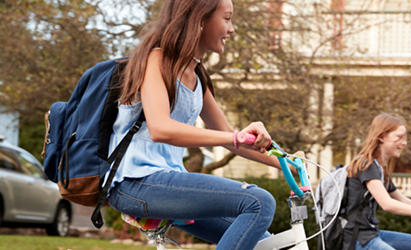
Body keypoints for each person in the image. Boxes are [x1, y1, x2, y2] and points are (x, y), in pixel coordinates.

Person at [106, 0, 300, 249]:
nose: (232, 29)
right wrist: (234, 138)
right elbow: (160, 128)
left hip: (167, 182)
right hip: (135, 183)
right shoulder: (157, 59)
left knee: (269, 245)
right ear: (200, 20)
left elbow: (230, 136)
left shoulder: (198, 76)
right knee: (259, 202)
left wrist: (287, 162)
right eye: (227, 18)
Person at [344, 113, 411, 250]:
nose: (404, 143)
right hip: (356, 239)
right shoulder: (366, 164)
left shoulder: (381, 169)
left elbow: (402, 199)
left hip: (371, 233)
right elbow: (387, 204)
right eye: (399, 138)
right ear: (381, 137)